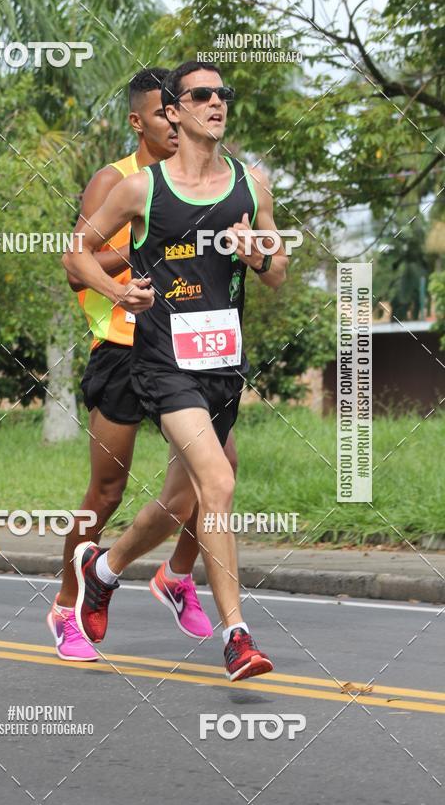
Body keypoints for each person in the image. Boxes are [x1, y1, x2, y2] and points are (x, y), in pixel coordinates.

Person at [64, 60, 288, 681]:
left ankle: (103, 571)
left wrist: (260, 253)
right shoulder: (142, 190)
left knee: (182, 495)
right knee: (217, 480)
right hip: (162, 363)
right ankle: (237, 636)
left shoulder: (253, 183)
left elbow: (277, 271)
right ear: (177, 110)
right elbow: (76, 253)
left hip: (220, 363)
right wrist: (117, 292)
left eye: (225, 94)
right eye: (203, 95)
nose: (218, 103)